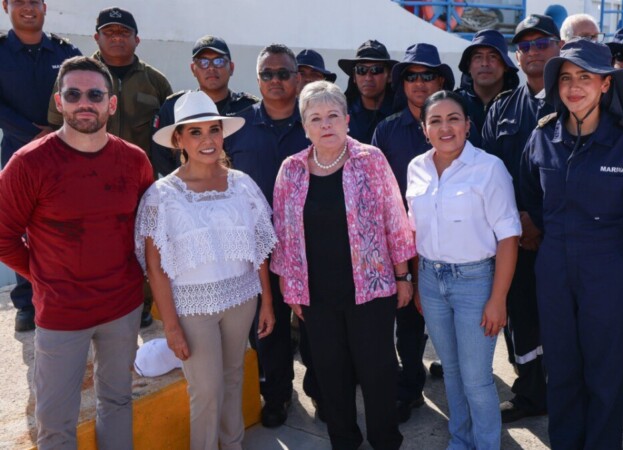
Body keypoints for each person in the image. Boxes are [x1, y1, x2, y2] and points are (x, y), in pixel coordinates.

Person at [519, 39, 623, 449]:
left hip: (608, 265)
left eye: (585, 77)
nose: (574, 86)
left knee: (606, 370)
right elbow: (530, 195)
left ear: (605, 84)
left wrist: (617, 247)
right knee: (561, 367)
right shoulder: (543, 136)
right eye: (566, 77)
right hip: (554, 263)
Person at [0, 56, 153, 450]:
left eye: (95, 95)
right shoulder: (28, 164)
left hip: (122, 307)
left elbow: (146, 229)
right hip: (62, 313)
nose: (85, 102)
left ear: (111, 104)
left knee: (117, 401)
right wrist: (42, 275)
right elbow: (3, 236)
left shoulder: (135, 161)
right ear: (59, 101)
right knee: (55, 422)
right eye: (73, 94)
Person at [271, 80, 414, 450]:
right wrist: (291, 288)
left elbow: (395, 219)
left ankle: (385, 440)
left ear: (347, 119)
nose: (326, 124)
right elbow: (284, 232)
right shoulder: (291, 169)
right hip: (317, 294)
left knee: (378, 371)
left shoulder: (371, 159)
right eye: (315, 118)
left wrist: (403, 275)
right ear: (304, 126)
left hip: (371, 289)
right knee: (331, 374)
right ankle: (344, 441)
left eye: (333, 115)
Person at [136, 91, 276, 450]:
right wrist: (171, 326)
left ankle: (233, 444)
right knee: (206, 389)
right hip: (192, 307)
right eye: (195, 132)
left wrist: (267, 302)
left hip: (241, 298)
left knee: (233, 377)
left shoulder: (242, 184)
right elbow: (155, 267)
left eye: (213, 129)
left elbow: (259, 248)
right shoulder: (162, 195)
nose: (207, 140)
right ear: (178, 140)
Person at [407, 90, 520, 450]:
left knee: (476, 377)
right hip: (430, 279)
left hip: (475, 282)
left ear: (468, 125)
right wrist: (418, 283)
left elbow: (509, 237)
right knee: (452, 372)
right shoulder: (416, 168)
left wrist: (498, 299)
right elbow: (415, 233)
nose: (445, 128)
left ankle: (486, 445)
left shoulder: (489, 168)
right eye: (435, 121)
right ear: (424, 129)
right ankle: (460, 440)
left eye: (453, 118)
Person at [224, 43, 311, 427]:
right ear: (257, 79)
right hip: (256, 250)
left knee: (315, 327)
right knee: (268, 329)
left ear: (297, 78)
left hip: (311, 248)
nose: (275, 80)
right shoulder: (237, 128)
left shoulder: (315, 123)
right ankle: (277, 395)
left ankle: (321, 389)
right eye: (267, 74)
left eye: (283, 73)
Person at [481, 13, 560, 423]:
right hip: (514, 236)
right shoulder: (502, 108)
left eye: (542, 43)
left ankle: (565, 393)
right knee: (522, 319)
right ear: (517, 56)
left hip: (562, 237)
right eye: (525, 46)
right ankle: (530, 392)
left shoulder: (577, 99)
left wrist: (540, 221)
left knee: (564, 321)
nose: (533, 52)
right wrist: (519, 223)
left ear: (559, 47)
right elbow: (490, 174)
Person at [371, 42, 453, 423]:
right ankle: (409, 387)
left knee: (456, 325)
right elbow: (373, 192)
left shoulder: (459, 124)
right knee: (406, 322)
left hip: (451, 246)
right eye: (412, 76)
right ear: (402, 83)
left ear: (441, 80)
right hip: (402, 247)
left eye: (428, 75)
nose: (420, 83)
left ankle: (464, 390)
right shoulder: (386, 131)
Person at [0, 0, 81, 332]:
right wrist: (33, 133)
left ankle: (69, 288)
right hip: (18, 152)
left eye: (34, 1)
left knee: (67, 222)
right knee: (21, 227)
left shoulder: (65, 52)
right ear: (5, 6)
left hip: (64, 153)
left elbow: (82, 89)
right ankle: (27, 300)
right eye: (19, 1)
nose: (27, 8)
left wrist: (55, 132)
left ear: (44, 7)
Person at [48, 6, 172, 169]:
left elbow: (170, 131)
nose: (117, 37)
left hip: (139, 171)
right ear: (96, 38)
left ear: (137, 40)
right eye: (109, 32)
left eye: (124, 32)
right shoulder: (74, 77)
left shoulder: (156, 81)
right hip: (83, 169)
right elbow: (55, 123)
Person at [150, 35, 259, 176]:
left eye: (219, 61)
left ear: (231, 68)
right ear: (193, 69)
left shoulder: (249, 108)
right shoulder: (175, 107)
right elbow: (160, 156)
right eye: (203, 62)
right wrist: (186, 184)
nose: (211, 68)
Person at [454, 29, 519, 148]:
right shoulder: (454, 104)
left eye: (493, 56)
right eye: (478, 57)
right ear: (468, 66)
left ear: (505, 65)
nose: (485, 63)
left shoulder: (520, 105)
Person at [338, 39, 398, 144]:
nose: (368, 77)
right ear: (354, 77)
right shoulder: (341, 114)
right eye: (361, 70)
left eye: (376, 70)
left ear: (389, 76)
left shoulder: (402, 115)